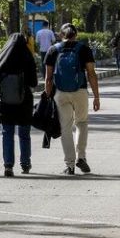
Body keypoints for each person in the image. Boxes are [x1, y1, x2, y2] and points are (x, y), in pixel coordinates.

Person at [44, 23, 101, 175]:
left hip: (60, 93)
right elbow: (91, 73)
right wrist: (96, 96)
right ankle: (81, 157)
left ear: (61, 35)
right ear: (76, 35)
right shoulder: (83, 49)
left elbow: (48, 78)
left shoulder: (53, 50)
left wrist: (48, 96)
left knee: (65, 128)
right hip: (80, 91)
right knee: (81, 123)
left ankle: (69, 164)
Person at [0, 33, 38, 177]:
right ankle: (25, 163)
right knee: (24, 134)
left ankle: (8, 166)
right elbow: (34, 82)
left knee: (7, 133)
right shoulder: (27, 56)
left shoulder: (2, 56)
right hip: (24, 101)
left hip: (6, 101)